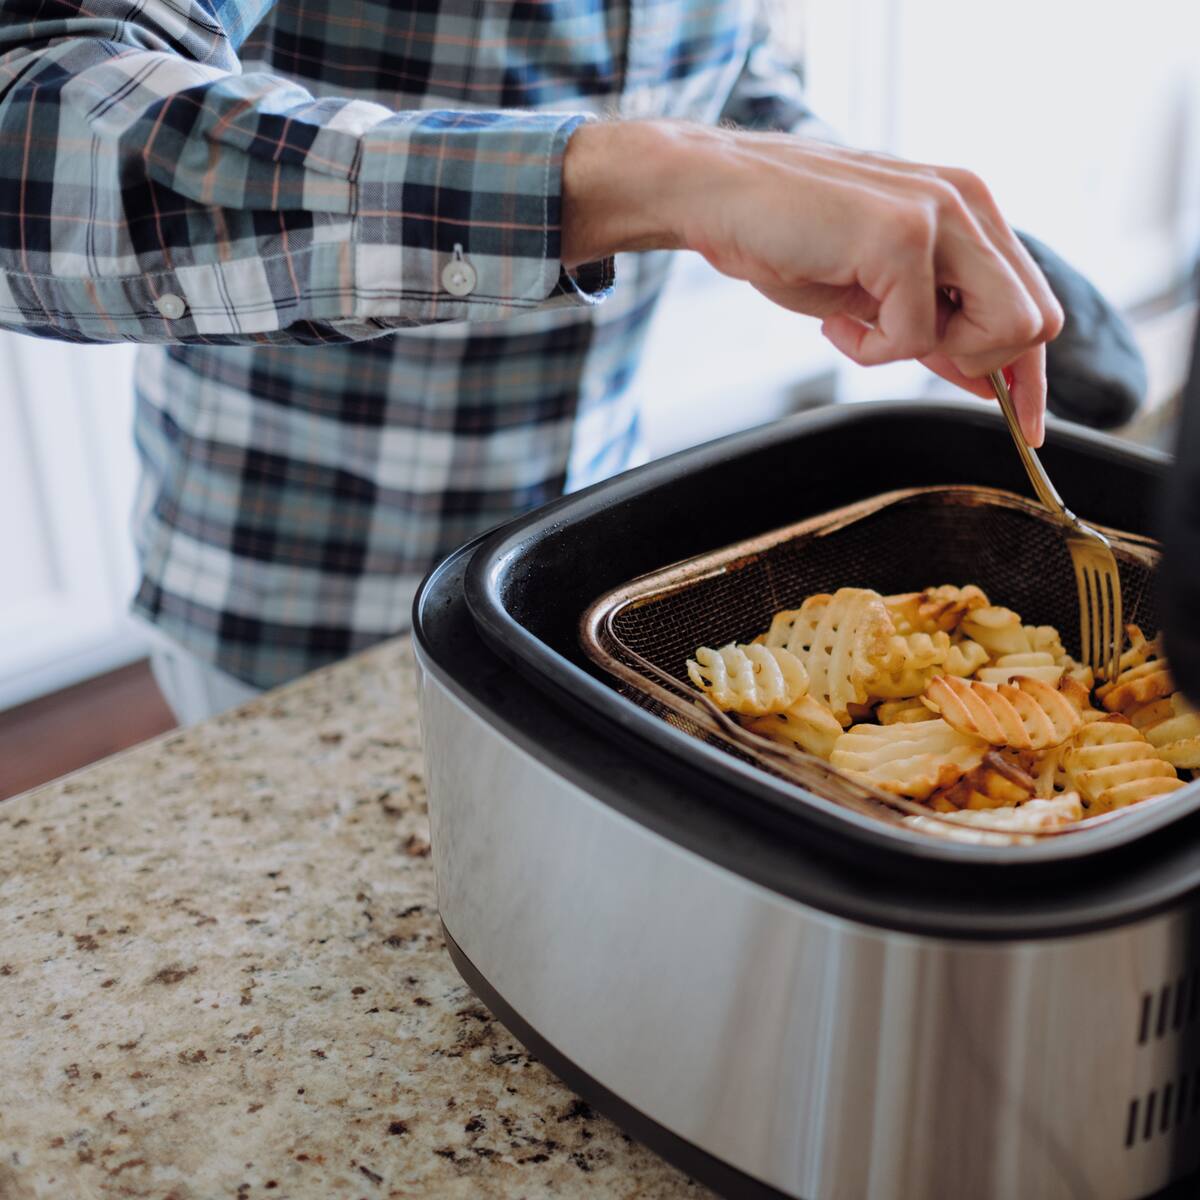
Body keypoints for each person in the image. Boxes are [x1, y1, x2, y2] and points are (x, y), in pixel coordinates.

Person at [0, 0, 1063, 723]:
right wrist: (651, 175)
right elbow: (32, 122)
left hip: (583, 573)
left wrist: (851, 195)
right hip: (303, 611)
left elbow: (726, 63)